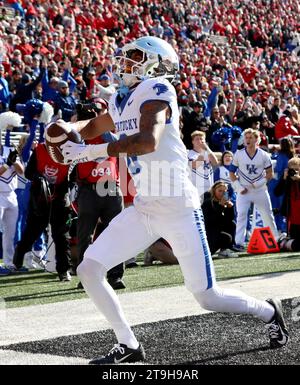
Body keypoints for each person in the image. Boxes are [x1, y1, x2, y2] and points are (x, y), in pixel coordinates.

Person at [55, 37, 288, 364]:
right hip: (146, 208)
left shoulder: (158, 90)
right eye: (126, 57)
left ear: (156, 63)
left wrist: (89, 151)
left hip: (179, 209)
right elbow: (95, 124)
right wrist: (69, 127)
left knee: (207, 296)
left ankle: (268, 311)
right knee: (89, 269)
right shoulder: (124, 99)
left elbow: (148, 141)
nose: (126, 64)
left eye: (135, 57)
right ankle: (129, 345)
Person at [229, 128, 279, 250]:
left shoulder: (264, 155)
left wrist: (258, 183)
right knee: (241, 215)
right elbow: (231, 172)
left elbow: (270, 173)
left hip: (260, 190)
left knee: (268, 215)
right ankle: (239, 243)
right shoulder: (239, 154)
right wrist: (239, 187)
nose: (248, 140)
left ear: (257, 139)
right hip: (244, 190)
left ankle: (276, 240)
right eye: (246, 138)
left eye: (251, 137)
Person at [201, 181, 236, 258]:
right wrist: (220, 206)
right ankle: (220, 249)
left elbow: (229, 220)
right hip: (208, 234)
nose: (222, 193)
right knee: (226, 237)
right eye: (220, 191)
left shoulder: (224, 202)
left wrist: (230, 208)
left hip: (216, 230)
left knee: (232, 224)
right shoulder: (208, 203)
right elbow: (210, 221)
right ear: (214, 191)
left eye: (224, 191)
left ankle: (225, 250)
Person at [274, 156, 300, 251]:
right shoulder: (287, 179)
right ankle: (283, 242)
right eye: (292, 169)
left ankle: (284, 242)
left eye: (297, 169)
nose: (294, 171)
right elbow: (277, 192)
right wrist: (284, 179)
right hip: (293, 220)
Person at [188, 130, 218, 204]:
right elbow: (195, 165)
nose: (199, 141)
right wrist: (203, 151)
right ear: (192, 142)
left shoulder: (208, 153)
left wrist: (207, 148)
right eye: (197, 139)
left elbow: (215, 163)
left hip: (209, 189)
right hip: (195, 189)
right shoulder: (188, 153)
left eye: (201, 139)